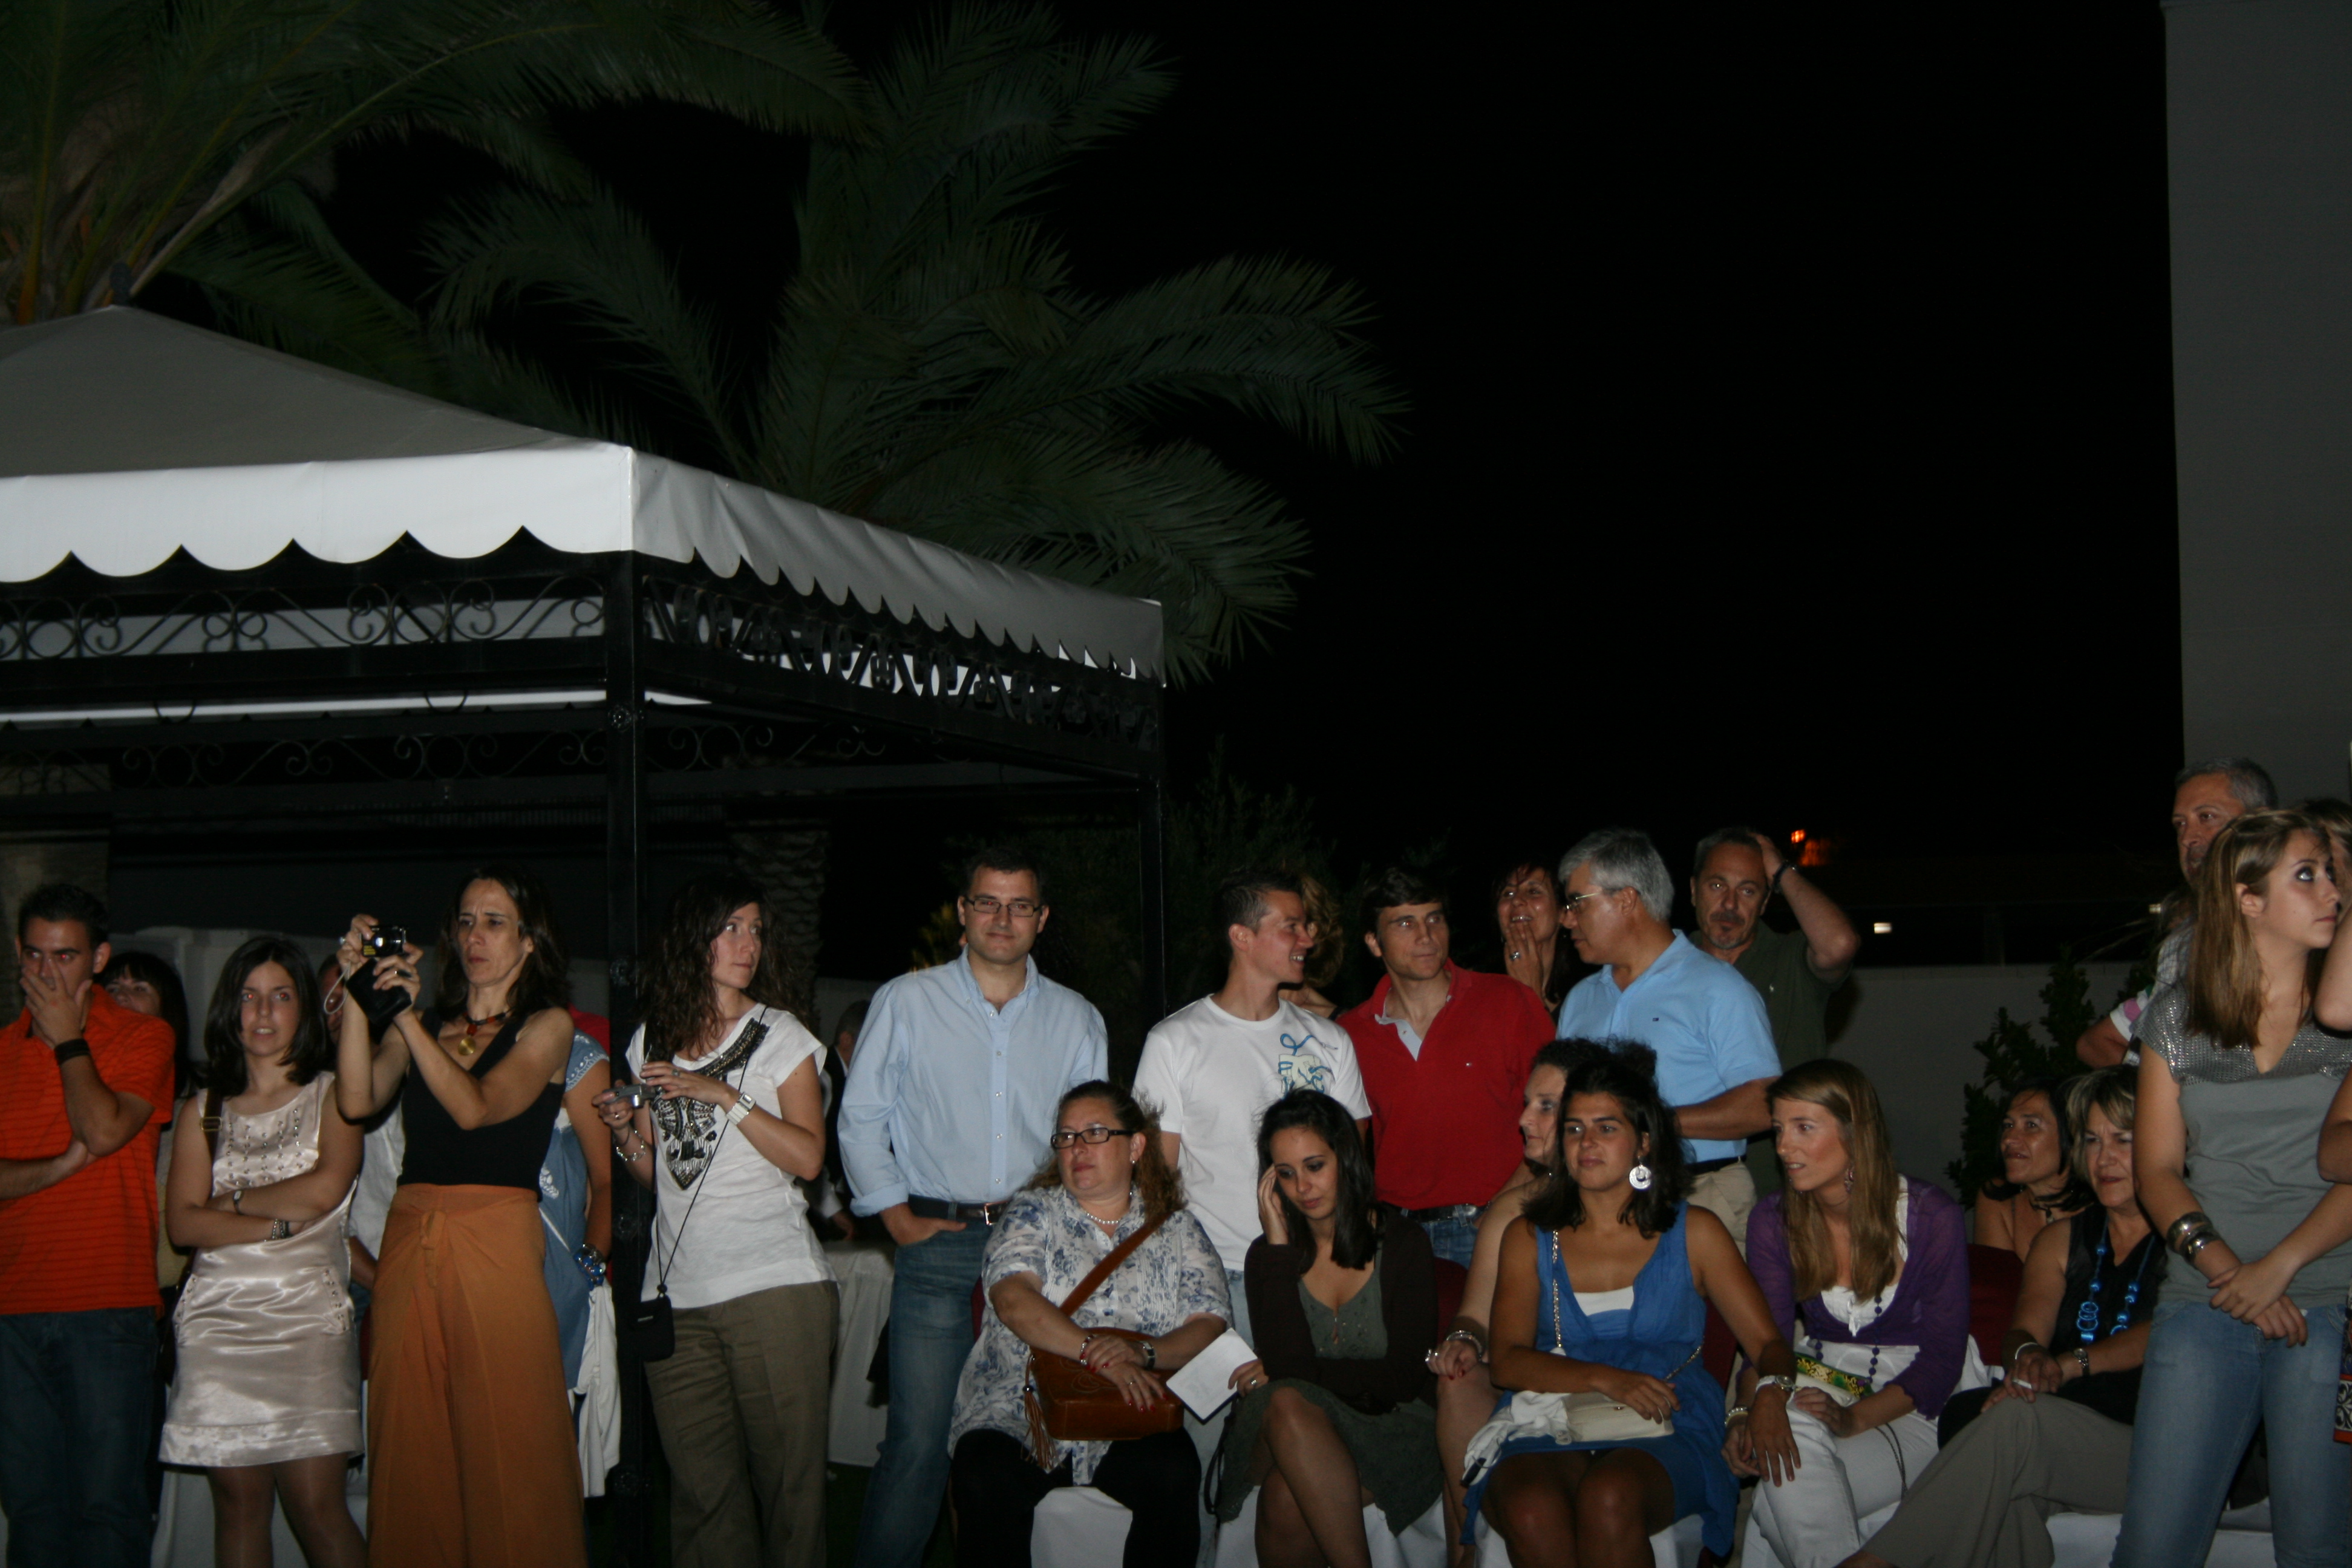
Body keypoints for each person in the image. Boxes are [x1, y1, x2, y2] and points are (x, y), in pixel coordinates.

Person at [840, 847, 1108, 1568]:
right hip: (936, 1243)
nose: (1002, 918)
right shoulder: (907, 1001)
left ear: (1041, 918)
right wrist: (893, 1215)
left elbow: (1091, 1143)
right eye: (987, 902)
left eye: (1020, 905)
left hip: (1036, 1251)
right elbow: (861, 1117)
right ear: (963, 912)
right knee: (919, 1446)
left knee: (1025, 1440)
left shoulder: (1076, 1017)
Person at [333, 867, 586, 1567]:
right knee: (409, 1435)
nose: (476, 936)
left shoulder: (548, 1026)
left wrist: (403, 1019)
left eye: (495, 922)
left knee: (508, 1438)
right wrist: (357, 994)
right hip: (413, 1234)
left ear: (530, 941)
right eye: (467, 921)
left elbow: (475, 1108)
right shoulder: (425, 1026)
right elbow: (356, 1099)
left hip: (495, 1238)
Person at [2120, 808, 2352, 1567]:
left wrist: (2276, 1270)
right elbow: (2156, 1172)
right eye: (2307, 875)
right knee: (2154, 1548)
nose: (2332, 892)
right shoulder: (2179, 1018)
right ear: (2248, 900)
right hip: (2205, 1299)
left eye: (2332, 873)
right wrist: (2231, 1274)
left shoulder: (2346, 1019)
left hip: (2331, 1302)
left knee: (2318, 1547)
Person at [1468, 1041, 1799, 1566]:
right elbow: (1507, 1362)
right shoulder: (1529, 1236)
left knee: (1610, 1498)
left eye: (1607, 1128)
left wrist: (1766, 1400)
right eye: (1574, 1128)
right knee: (1530, 1506)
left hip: (1668, 1416)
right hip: (1555, 1415)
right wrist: (1607, 1379)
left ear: (1643, 1142)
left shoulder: (1696, 1232)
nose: (1587, 1143)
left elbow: (1769, 1345)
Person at [598, 875, 835, 1568]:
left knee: (790, 1501)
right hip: (679, 1299)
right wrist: (625, 1133)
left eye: (755, 929)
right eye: (731, 927)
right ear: (692, 938)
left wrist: (726, 1096)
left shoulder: (780, 1034)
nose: (747, 943)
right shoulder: (652, 1041)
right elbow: (664, 1175)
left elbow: (810, 1158)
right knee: (704, 1506)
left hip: (773, 1288)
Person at [1134, 867, 1373, 1538]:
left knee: (1312, 1447)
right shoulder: (1175, 1042)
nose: (1307, 938)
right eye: (1290, 925)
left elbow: (1357, 1170)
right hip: (1219, 1287)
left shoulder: (1329, 1041)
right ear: (1242, 937)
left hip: (1317, 1281)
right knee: (1209, 1460)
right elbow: (1155, 1185)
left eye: (1307, 925)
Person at [1851, 1067, 2161, 1568]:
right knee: (1979, 1428)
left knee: (2014, 1422)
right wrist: (2030, 1356)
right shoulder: (2063, 1239)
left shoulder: (2191, 1238)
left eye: (2122, 1140)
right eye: (2092, 1140)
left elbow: (2169, 1331)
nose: (2104, 1158)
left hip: (2157, 1441)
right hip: (2065, 1427)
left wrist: (2069, 1365)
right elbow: (2022, 1329)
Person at [948, 1081, 1230, 1567]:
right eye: (1066, 1137)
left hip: (1128, 1409)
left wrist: (1143, 1354)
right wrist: (1093, 1352)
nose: (1077, 1148)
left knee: (1172, 1472)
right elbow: (1013, 1299)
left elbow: (1209, 1321)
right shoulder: (1032, 1213)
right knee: (984, 1474)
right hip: (1023, 1408)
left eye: (1095, 1133)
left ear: (1136, 1146)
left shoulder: (1178, 1229)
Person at [159, 936, 365, 1568]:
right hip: (219, 1322)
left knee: (317, 1506)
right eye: (249, 997)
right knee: (239, 1507)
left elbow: (324, 1191)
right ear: (230, 1008)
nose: (264, 1013)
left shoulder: (335, 1095)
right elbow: (184, 1225)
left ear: (305, 1008)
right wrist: (275, 1225)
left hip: (306, 1318)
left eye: (280, 996)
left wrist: (230, 1203)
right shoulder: (204, 1110)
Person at [0, 883, 177, 1568]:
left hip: (105, 1304)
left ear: (99, 958)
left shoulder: (142, 1035)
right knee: (33, 1514)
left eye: (66, 956)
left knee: (108, 1512)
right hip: (12, 1306)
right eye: (35, 955)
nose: (47, 973)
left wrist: (69, 1040)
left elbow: (102, 1130)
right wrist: (58, 1167)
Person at [1741, 1059, 1970, 1568]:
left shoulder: (1931, 1216)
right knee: (1789, 1428)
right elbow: (1765, 1342)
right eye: (1778, 1130)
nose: (1783, 1148)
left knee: (1774, 1505)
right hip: (1819, 1373)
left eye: (1804, 1128)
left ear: (1855, 1133)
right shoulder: (1774, 1220)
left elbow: (1942, 1360)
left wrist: (1853, 1418)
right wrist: (1746, 1411)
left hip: (1917, 1399)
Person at [1213, 1089, 1442, 1563]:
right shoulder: (1267, 1257)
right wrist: (1279, 1250)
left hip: (1391, 1425)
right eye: (1285, 1173)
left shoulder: (1403, 1243)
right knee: (1287, 1403)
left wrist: (1301, 1377)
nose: (1303, 1187)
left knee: (1285, 1492)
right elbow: (1287, 1367)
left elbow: (1402, 1378)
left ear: (1346, 1160)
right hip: (1292, 1426)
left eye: (1315, 1166)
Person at [1553, 828, 1780, 1246]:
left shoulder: (1718, 988)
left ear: (1626, 899)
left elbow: (1766, 1103)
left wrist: (1651, 1124)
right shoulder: (1581, 999)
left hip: (1700, 1194)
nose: (1566, 918)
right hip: (1597, 1204)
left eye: (1576, 902)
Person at [1339, 867, 1555, 1269]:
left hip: (1495, 1222)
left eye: (1434, 918)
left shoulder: (1507, 1001)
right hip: (1397, 1234)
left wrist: (1506, 1205)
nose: (1426, 935)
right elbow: (1347, 1147)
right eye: (1405, 923)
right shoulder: (1350, 1034)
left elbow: (1561, 1110)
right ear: (1373, 942)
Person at [1432, 1042, 1573, 1567]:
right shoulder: (1513, 1210)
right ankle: (1467, 1551)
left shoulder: (1641, 1208)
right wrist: (1464, 1340)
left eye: (1546, 1106)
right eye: (1527, 1103)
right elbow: (1474, 1314)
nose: (1524, 1119)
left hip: (1606, 1380)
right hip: (1521, 1378)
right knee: (1456, 1381)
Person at [2078, 757, 2275, 1067]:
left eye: (2207, 817)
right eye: (2180, 824)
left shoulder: (2299, 928)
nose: (2187, 838)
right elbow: (2099, 1045)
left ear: (2260, 824)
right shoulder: (2182, 941)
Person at [1687, 826, 1857, 1065]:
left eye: (1747, 891)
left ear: (1764, 902)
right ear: (1694, 890)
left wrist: (1781, 871)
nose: (1730, 903)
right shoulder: (1667, 963)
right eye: (1717, 886)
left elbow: (1839, 945)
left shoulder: (1790, 961)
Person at [102, 948, 197, 1292]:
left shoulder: (197, 1103)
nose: (121, 998)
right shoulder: (83, 1088)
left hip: (165, 1287)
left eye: (139, 989)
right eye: (112, 989)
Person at [1970, 1079, 2088, 1263]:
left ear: (2072, 1136)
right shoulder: (1997, 1199)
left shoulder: (2104, 1204)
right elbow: (1998, 1279)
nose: (2009, 1139)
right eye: (2008, 1125)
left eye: (2031, 1125)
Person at [1494, 857, 1574, 1011]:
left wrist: (1531, 992)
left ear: (1563, 913)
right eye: (1508, 893)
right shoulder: (1477, 989)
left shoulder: (1586, 996)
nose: (1517, 900)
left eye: (1533, 892)